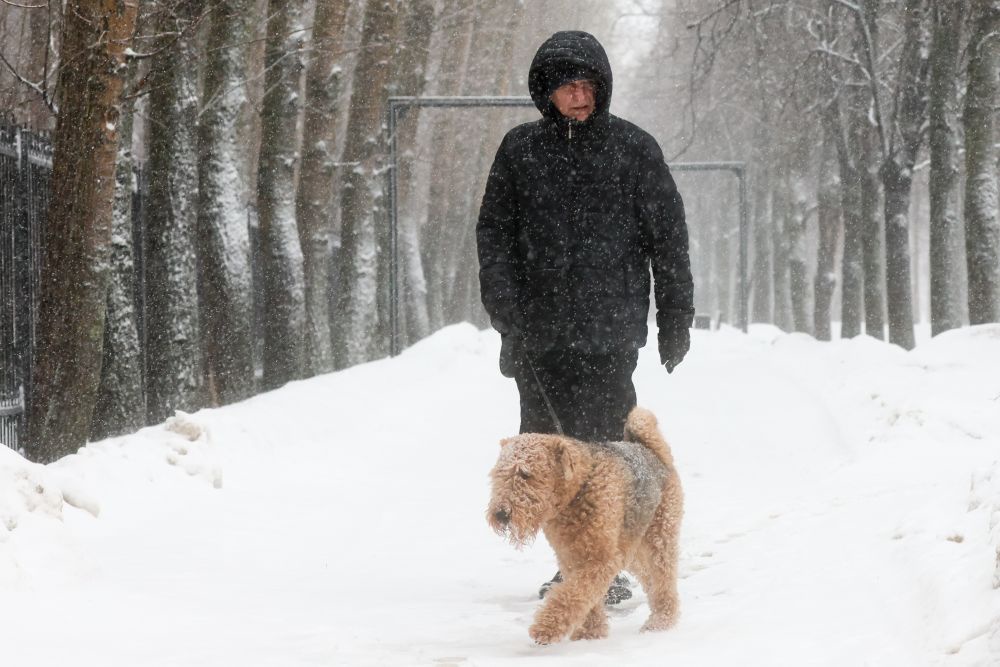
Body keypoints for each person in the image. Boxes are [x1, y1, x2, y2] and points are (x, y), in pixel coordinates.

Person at [476, 30, 694, 605]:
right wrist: (504, 305)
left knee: (602, 453)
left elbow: (668, 240)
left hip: (609, 330)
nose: (580, 96)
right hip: (536, 333)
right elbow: (494, 234)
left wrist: (676, 316)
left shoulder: (634, 149)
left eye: (589, 85)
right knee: (545, 453)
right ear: (545, 91)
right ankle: (569, 564)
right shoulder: (519, 150)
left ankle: (607, 567)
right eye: (568, 86)